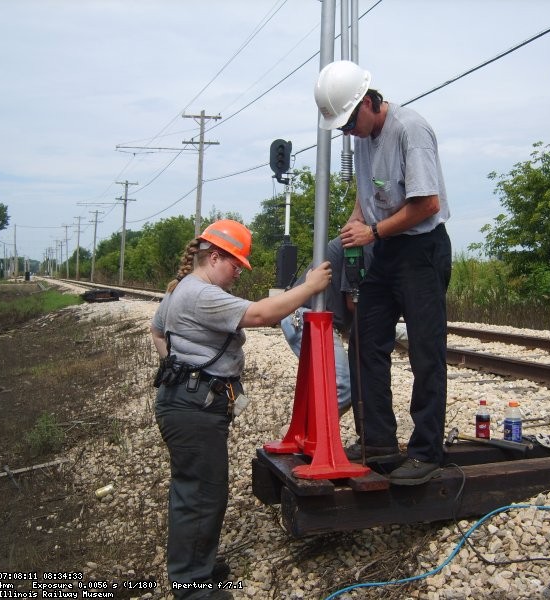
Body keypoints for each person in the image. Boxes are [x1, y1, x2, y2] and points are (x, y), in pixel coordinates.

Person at [150, 219, 332, 599]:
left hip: (188, 401)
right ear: (214, 257)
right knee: (200, 493)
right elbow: (263, 314)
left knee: (201, 490)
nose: (236, 272)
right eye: (235, 264)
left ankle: (198, 566)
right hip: (193, 408)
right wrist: (309, 287)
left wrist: (180, 366)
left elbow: (156, 331)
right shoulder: (200, 294)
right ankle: (193, 587)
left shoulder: (181, 289)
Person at [315, 60, 452, 486]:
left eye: (351, 121)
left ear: (371, 101)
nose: (348, 132)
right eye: (342, 127)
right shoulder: (362, 139)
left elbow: (426, 204)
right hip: (386, 249)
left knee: (425, 351)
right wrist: (357, 225)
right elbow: (367, 195)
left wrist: (371, 232)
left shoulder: (412, 130)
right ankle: (379, 444)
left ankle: (427, 451)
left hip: (422, 249)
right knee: (364, 340)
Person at [279, 235, 373, 417]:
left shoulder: (361, 238)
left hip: (306, 317)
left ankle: (307, 435)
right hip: (306, 318)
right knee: (342, 388)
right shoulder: (364, 243)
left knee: (326, 389)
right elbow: (352, 302)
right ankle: (310, 437)